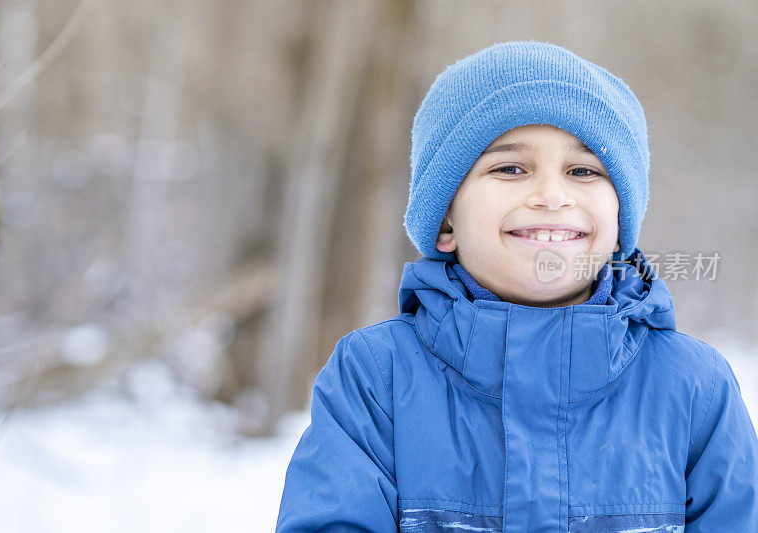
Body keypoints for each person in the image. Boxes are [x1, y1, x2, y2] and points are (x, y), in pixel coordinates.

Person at [275, 41, 758, 532]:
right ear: (445, 221)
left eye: (583, 170)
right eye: (510, 168)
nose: (551, 196)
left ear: (621, 218)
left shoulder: (694, 386)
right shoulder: (378, 375)